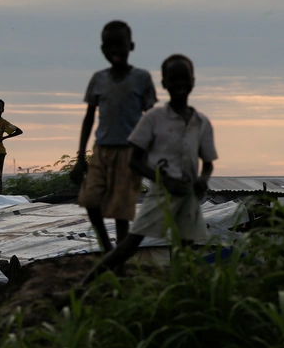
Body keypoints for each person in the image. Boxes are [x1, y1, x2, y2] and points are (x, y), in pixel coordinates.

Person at [77, 54, 217, 287]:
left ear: (193, 81)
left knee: (183, 247)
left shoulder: (201, 122)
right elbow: (134, 160)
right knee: (131, 243)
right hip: (161, 193)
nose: (180, 84)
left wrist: (203, 180)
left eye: (185, 79)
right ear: (164, 84)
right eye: (174, 80)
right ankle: (85, 285)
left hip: (187, 196)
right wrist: (162, 180)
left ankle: (178, 292)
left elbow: (208, 163)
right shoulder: (154, 118)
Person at [70, 21, 157, 253]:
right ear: (102, 50)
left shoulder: (141, 79)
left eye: (120, 45)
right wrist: (80, 157)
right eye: (109, 46)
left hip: (130, 153)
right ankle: (107, 245)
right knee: (90, 199)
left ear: (131, 46)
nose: (115, 51)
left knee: (121, 211)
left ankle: (119, 257)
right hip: (101, 150)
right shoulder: (99, 79)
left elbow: (152, 119)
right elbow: (89, 118)